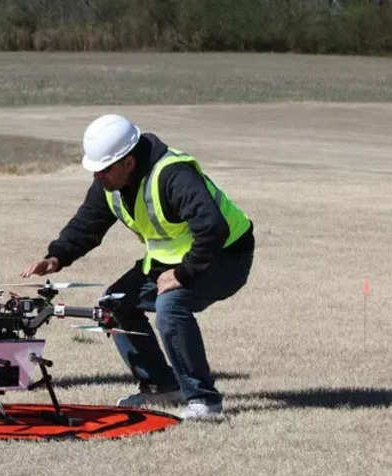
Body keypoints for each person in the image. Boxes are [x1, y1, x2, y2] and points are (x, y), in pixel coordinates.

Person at [21, 114, 254, 420]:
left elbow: (213, 228)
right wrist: (57, 256)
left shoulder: (173, 175)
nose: (98, 177)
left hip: (224, 255)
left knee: (171, 305)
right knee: (114, 304)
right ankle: (162, 386)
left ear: (128, 163)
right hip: (171, 259)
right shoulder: (109, 183)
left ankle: (204, 401)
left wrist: (184, 273)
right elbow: (88, 222)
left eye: (103, 170)